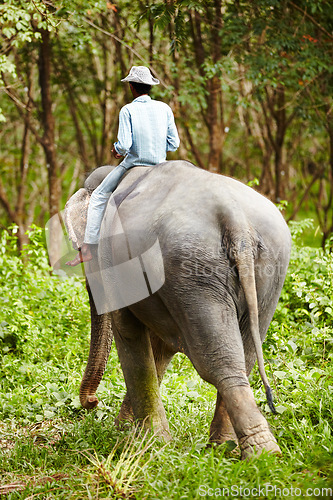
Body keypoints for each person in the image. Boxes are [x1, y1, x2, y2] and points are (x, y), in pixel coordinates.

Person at [66, 66, 180, 266]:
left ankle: (88, 249)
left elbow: (125, 145)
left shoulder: (128, 110)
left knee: (99, 196)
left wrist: (116, 150)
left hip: (134, 164)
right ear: (149, 87)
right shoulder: (165, 109)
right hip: (160, 166)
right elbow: (174, 144)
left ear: (132, 88)